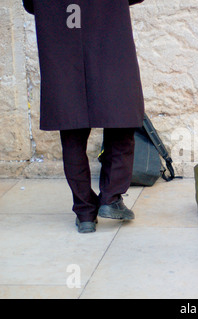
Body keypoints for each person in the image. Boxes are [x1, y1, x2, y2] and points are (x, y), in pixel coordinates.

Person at [23, 0, 145, 233]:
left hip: (62, 45)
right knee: (120, 118)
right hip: (108, 38)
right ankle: (110, 197)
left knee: (72, 129)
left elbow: (30, 4)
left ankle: (85, 212)